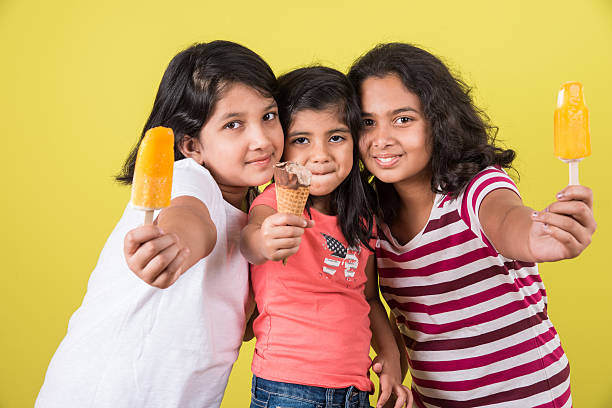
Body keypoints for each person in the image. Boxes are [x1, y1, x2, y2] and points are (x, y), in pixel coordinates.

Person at [35, 40, 284, 408]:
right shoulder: (184, 179)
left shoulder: (256, 219)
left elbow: (238, 325)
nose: (261, 139)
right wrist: (176, 245)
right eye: (233, 124)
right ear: (191, 146)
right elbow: (189, 218)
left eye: (268, 116)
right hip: (105, 395)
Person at [348, 43, 596, 408]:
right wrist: (393, 380)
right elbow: (399, 319)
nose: (382, 139)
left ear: (438, 120)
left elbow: (508, 219)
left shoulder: (474, 189)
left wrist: (538, 237)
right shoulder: (371, 221)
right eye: (368, 123)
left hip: (528, 398)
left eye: (403, 119)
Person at [240, 66, 413, 408]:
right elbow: (251, 239)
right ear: (281, 147)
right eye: (301, 140)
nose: (320, 155)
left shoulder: (362, 217)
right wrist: (263, 241)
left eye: (336, 137)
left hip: (354, 389)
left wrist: (391, 358)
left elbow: (367, 297)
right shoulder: (274, 203)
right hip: (288, 388)